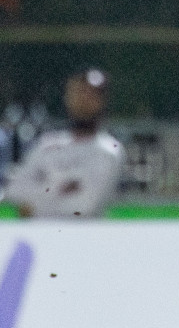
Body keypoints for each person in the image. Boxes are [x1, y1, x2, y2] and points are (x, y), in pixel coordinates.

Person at [2, 69, 122, 219]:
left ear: (103, 101)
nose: (82, 101)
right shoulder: (48, 144)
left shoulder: (107, 150)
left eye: (90, 95)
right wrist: (60, 188)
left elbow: (83, 205)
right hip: (39, 238)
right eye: (77, 93)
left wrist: (37, 197)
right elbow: (14, 191)